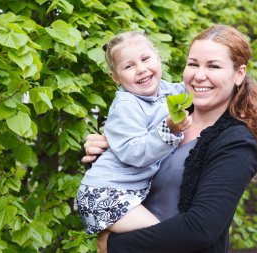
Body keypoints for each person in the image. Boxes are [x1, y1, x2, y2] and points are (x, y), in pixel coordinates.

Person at [82, 24, 257, 253]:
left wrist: (113, 245)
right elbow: (127, 163)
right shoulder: (167, 113)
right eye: (193, 64)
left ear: (239, 74)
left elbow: (200, 229)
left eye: (213, 66)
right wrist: (104, 149)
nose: (199, 75)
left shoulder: (236, 144)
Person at [74, 31, 192, 235]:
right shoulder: (126, 105)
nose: (141, 69)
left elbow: (194, 90)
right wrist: (168, 130)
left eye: (145, 59)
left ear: (157, 57)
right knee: (164, 239)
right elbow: (134, 152)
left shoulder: (168, 91)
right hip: (104, 193)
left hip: (125, 193)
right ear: (115, 77)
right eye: (128, 66)